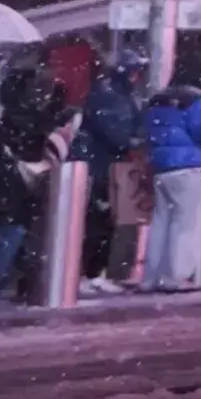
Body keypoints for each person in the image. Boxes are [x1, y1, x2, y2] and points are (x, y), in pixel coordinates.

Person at [0, 70, 73, 308]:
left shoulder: (12, 121)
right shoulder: (28, 122)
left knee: (11, 241)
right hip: (12, 193)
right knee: (10, 241)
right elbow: (35, 130)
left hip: (4, 193)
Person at [140, 78, 201, 292]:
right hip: (187, 166)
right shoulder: (194, 102)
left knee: (161, 223)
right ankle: (176, 276)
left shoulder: (157, 104)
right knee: (185, 223)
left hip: (161, 168)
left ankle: (151, 276)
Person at [71, 49, 146, 295]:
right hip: (98, 167)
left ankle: (95, 273)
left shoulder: (120, 95)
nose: (138, 76)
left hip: (109, 166)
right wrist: (132, 142)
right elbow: (113, 131)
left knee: (104, 223)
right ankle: (88, 273)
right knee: (95, 223)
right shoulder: (108, 95)